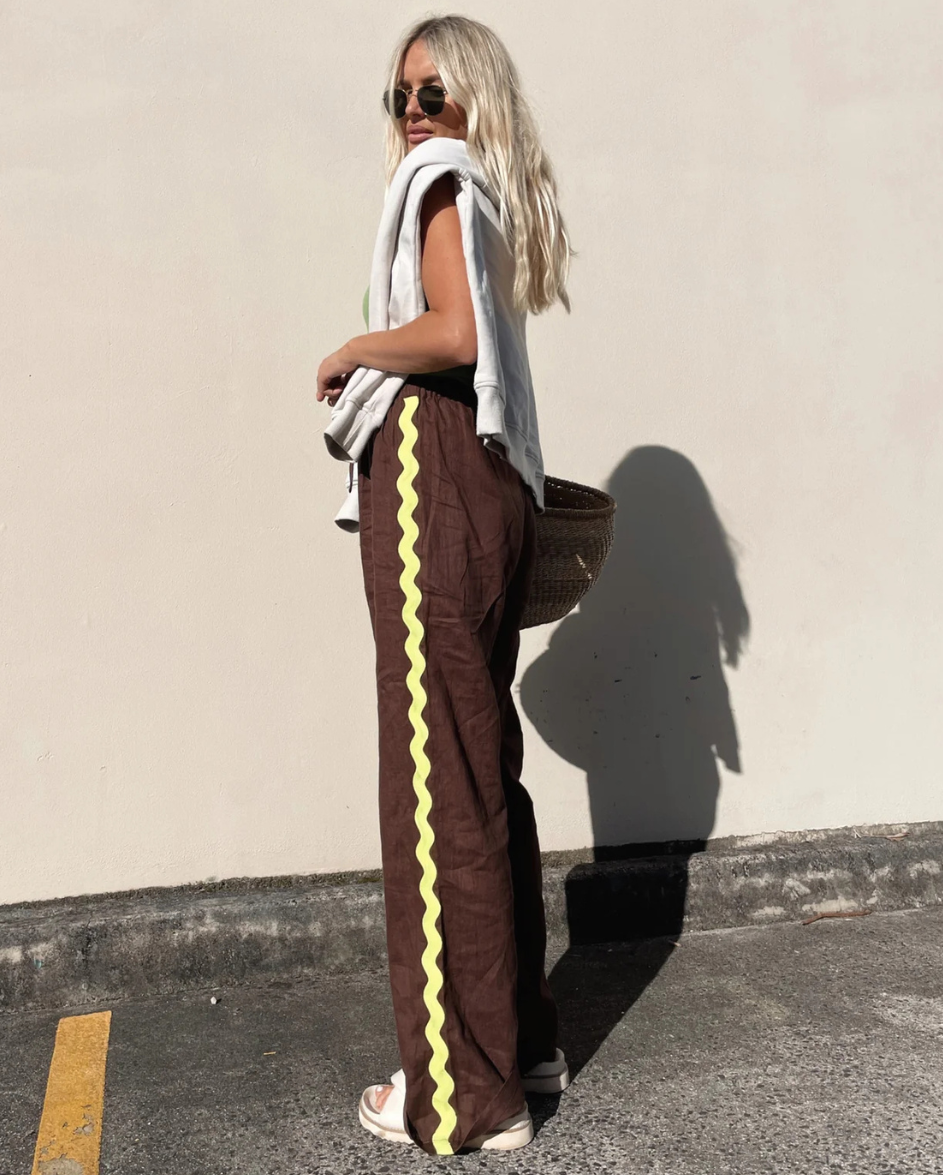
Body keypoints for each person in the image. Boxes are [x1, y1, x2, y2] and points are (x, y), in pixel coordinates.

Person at [315, 14, 573, 1155]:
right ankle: (520, 1041)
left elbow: (454, 334)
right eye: (402, 98)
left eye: (434, 93)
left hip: (433, 483)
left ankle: (465, 1093)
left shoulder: (439, 184)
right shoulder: (493, 194)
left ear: (474, 97)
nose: (415, 115)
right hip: (486, 487)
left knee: (432, 792)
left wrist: (354, 349)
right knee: (479, 772)